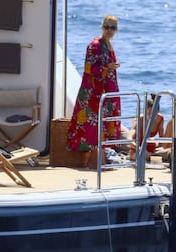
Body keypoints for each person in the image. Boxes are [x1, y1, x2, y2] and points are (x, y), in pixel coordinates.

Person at [66, 15, 122, 169]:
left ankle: (98, 161)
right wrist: (108, 67)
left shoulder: (108, 44)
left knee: (101, 126)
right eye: (107, 27)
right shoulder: (95, 45)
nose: (109, 30)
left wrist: (111, 67)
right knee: (94, 127)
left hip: (105, 92)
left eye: (113, 28)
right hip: (94, 93)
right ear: (102, 27)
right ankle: (96, 162)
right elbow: (89, 68)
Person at [128, 94, 164, 161]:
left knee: (168, 153)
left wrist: (159, 147)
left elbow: (162, 137)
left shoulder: (160, 118)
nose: (151, 117)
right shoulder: (138, 120)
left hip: (152, 147)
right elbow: (129, 139)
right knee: (141, 156)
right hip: (137, 148)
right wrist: (141, 149)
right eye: (149, 114)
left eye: (154, 114)